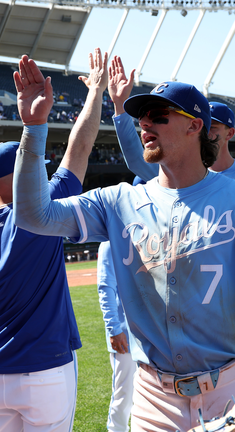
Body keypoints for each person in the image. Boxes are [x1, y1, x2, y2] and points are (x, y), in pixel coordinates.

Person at [12, 73, 235, 432]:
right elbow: (33, 215)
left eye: (158, 114)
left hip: (230, 394)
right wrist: (34, 127)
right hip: (152, 398)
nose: (144, 123)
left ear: (195, 125)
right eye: (142, 116)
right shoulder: (117, 201)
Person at [105, 56, 235, 388]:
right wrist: (118, 111)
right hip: (204, 294)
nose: (209, 133)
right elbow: (136, 157)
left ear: (227, 132)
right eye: (207, 126)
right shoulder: (177, 172)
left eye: (214, 127)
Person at [0, 48, 108, 432]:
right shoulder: (44, 207)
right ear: (21, 172)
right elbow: (81, 147)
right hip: (44, 371)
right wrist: (96, 92)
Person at [96, 176, 146, 432]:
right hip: (125, 331)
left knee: (148, 393)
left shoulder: (153, 235)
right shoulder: (110, 239)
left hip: (149, 330)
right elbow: (105, 286)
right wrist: (113, 329)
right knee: (124, 391)